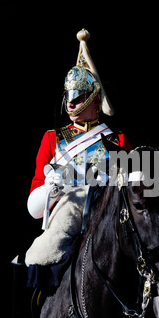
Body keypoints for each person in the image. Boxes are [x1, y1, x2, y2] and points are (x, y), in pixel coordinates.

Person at [25, 29, 132, 285]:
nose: (71, 104)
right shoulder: (53, 139)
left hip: (108, 223)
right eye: (69, 97)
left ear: (95, 98)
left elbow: (135, 192)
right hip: (66, 219)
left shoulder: (118, 141)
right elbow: (34, 210)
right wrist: (50, 188)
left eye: (79, 96)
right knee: (37, 258)